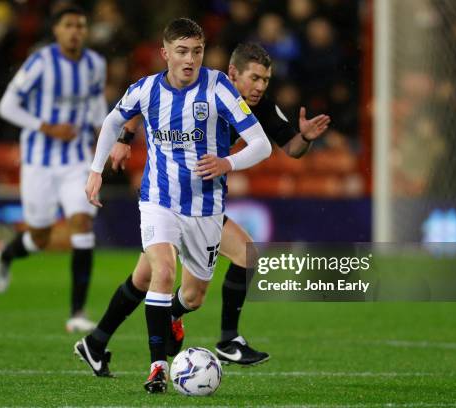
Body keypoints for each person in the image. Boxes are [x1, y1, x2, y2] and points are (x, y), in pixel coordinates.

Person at [76, 42, 330, 371]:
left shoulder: (260, 108)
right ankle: (227, 339)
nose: (259, 87)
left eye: (266, 80)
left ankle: (97, 342)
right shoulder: (204, 89)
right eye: (254, 78)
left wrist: (306, 137)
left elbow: (291, 148)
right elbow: (147, 101)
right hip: (168, 196)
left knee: (160, 284)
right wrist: (125, 140)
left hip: (202, 200)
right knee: (240, 254)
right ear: (233, 73)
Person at [75, 19, 272, 393]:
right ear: (165, 53)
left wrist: (227, 163)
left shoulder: (218, 89)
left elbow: (260, 144)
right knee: (162, 271)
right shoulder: (146, 89)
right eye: (181, 51)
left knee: (191, 296)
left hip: (206, 209)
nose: (190, 60)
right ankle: (157, 368)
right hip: (158, 201)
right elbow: (113, 119)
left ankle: (97, 341)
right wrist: (94, 171)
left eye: (196, 51)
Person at [0, 5, 107, 333]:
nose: (75, 31)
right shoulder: (40, 62)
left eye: (81, 25)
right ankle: (7, 253)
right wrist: (45, 126)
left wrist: (106, 135)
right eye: (69, 25)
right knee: (39, 236)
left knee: (82, 225)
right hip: (38, 162)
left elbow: (96, 105)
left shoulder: (95, 64)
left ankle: (77, 312)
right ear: (56, 31)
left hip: (76, 161)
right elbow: (6, 106)